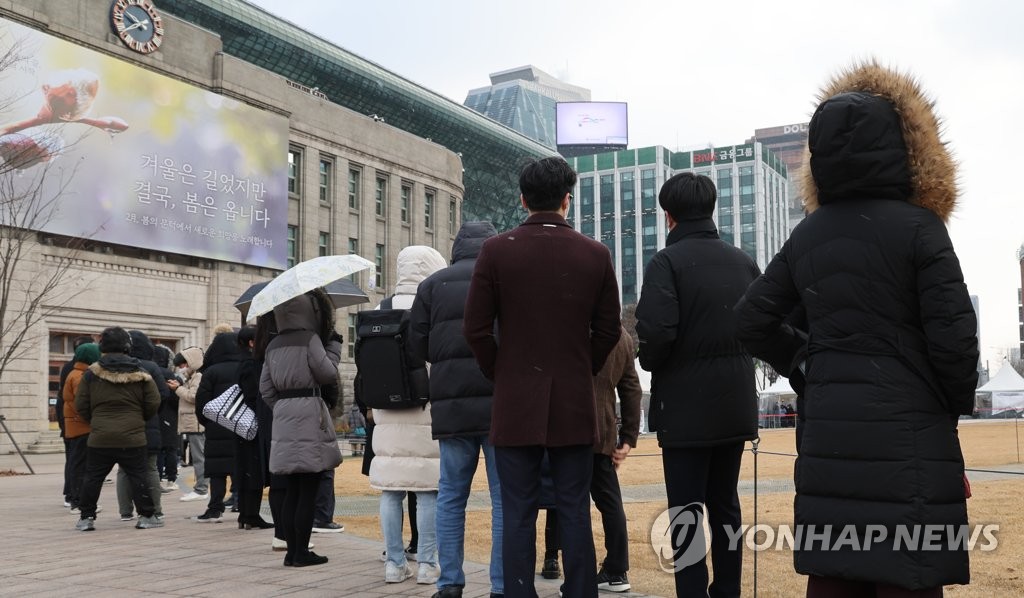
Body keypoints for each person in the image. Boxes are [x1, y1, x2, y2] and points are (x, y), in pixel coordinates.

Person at [734, 61, 979, 597]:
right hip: (911, 431)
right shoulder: (921, 229)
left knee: (835, 576)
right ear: (906, 148)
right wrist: (947, 401)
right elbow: (956, 343)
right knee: (907, 575)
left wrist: (805, 365)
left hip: (830, 437)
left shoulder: (810, 234)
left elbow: (752, 319)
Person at [464, 156, 621, 598]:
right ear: (567, 200)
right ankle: (581, 591)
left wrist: (504, 372)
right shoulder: (595, 254)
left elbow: (475, 329)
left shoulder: (496, 251)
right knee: (573, 507)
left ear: (522, 199)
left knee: (517, 510)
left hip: (516, 400)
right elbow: (609, 329)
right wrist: (581, 366)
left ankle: (518, 591)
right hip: (573, 398)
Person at [635, 171, 759, 598]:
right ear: (712, 208)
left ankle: (692, 593)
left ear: (668, 215)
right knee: (726, 504)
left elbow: (655, 333)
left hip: (685, 407)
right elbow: (761, 324)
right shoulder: (743, 261)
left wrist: (649, 359)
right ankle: (728, 591)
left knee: (686, 510)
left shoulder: (665, 263)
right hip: (735, 401)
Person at [409, 221, 504, 598]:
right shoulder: (502, 281)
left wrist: (446, 359)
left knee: (450, 496)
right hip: (499, 404)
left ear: (457, 248)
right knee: (503, 499)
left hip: (451, 407)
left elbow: (417, 346)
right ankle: (500, 584)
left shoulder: (432, 285)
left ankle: (450, 582)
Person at [368, 245, 446, 586]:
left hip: (386, 409)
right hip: (426, 408)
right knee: (427, 489)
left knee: (391, 490)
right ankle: (428, 564)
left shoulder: (380, 309)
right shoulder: (433, 307)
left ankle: (394, 564)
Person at [261, 288, 343, 568]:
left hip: (283, 415)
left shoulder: (272, 345)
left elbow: (265, 389)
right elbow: (328, 374)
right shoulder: (309, 339)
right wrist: (333, 348)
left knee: (291, 489)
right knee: (308, 487)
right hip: (309, 411)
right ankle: (301, 553)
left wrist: (283, 406)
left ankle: (290, 550)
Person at [73, 327, 162, 531]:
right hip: (133, 436)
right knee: (138, 475)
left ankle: (86, 518)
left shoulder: (91, 373)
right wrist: (139, 418)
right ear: (127, 346)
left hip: (100, 436)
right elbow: (153, 402)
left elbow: (81, 404)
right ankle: (146, 516)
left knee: (93, 477)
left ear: (102, 346)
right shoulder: (142, 373)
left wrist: (96, 421)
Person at [591, 326, 642, 593]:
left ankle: (571, 567)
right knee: (610, 503)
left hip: (570, 429)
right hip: (604, 431)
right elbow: (632, 389)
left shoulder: (574, 323)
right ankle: (616, 568)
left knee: (568, 504)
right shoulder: (621, 336)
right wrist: (628, 437)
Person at [116, 330, 171, 521]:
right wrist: (150, 410)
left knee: (124, 469)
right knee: (150, 468)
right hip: (149, 423)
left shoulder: (118, 366)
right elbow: (163, 394)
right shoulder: (151, 367)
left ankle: (125, 511)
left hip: (123, 424)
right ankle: (156, 509)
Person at [193, 331, 243, 523]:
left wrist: (209, 422)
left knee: (217, 469)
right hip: (241, 425)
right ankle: (241, 503)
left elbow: (201, 402)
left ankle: (215, 507)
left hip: (216, 425)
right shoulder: (244, 367)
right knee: (240, 465)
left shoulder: (211, 372)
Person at [234, 325, 274, 530]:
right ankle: (250, 514)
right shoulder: (251, 365)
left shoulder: (241, 362)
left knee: (248, 469)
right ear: (252, 342)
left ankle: (246, 514)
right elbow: (254, 395)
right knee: (253, 469)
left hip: (242, 424)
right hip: (252, 424)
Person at [62, 342, 100, 513]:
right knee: (80, 465)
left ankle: (78, 500)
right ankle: (77, 502)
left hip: (78, 426)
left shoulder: (76, 372)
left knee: (79, 464)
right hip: (82, 427)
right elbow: (81, 403)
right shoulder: (80, 376)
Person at [171, 347, 207, 502]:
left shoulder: (198, 376)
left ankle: (201, 489)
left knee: (199, 457)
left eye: (183, 364)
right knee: (199, 456)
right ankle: (200, 487)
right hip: (192, 422)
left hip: (196, 423)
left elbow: (193, 397)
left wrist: (177, 389)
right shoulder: (191, 376)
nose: (181, 368)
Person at [152, 344, 179, 492]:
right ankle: (171, 478)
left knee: (158, 449)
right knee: (170, 448)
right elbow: (175, 397)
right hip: (169, 414)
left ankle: (158, 477)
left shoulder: (148, 371)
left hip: (153, 414)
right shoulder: (168, 374)